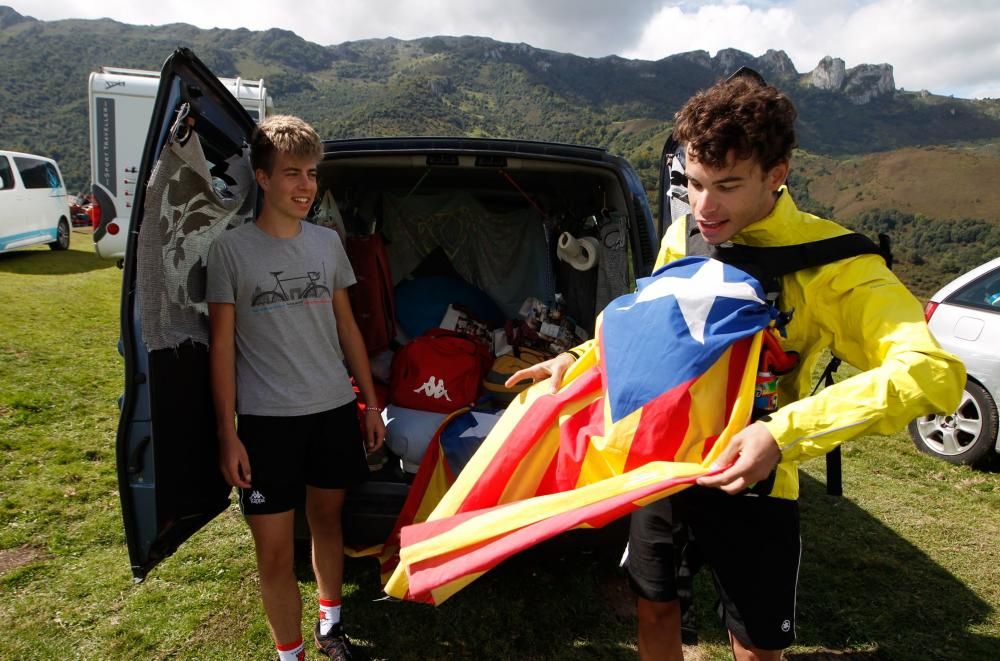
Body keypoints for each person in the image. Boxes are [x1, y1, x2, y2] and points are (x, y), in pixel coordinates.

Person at [506, 75, 965, 659]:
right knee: (653, 609)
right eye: (693, 184)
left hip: (759, 479)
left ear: (778, 174)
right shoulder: (684, 235)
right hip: (665, 463)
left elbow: (932, 373)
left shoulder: (836, 265)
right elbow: (656, 326)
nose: (704, 207)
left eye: (726, 185)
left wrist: (782, 433)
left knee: (754, 644)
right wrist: (576, 360)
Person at [206, 115, 385, 661]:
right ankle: (291, 655)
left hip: (332, 410)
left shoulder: (328, 244)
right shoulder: (230, 252)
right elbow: (220, 347)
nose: (306, 186)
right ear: (262, 177)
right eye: (291, 174)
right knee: (274, 554)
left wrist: (370, 404)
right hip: (265, 425)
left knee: (328, 523)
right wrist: (227, 435)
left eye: (311, 173)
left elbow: (347, 327)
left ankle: (331, 626)